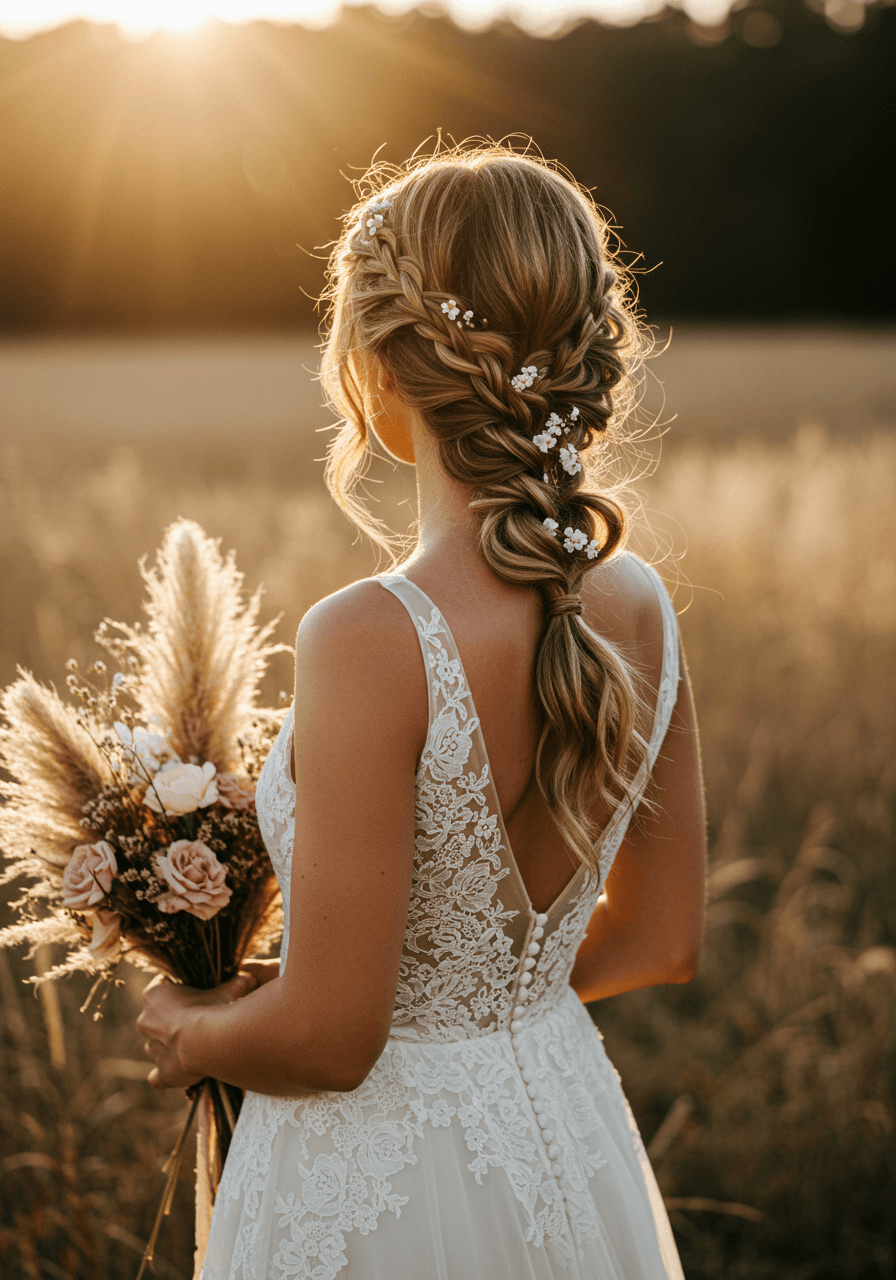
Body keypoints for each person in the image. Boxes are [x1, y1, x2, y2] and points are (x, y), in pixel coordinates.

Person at [138, 143, 706, 1280]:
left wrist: (192, 1028)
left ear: (378, 363)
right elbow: (660, 938)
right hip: (559, 1124)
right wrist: (476, 1010)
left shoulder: (367, 635)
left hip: (380, 1184)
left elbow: (333, 1039)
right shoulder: (637, 600)